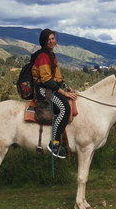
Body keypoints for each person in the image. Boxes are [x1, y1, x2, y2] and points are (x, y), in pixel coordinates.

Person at [32, 28, 77, 158]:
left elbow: (57, 78)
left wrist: (65, 87)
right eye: (49, 39)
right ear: (44, 42)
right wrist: (63, 93)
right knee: (64, 108)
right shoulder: (43, 57)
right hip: (43, 90)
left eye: (53, 38)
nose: (52, 41)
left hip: (50, 88)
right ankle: (54, 144)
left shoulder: (52, 56)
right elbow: (46, 80)